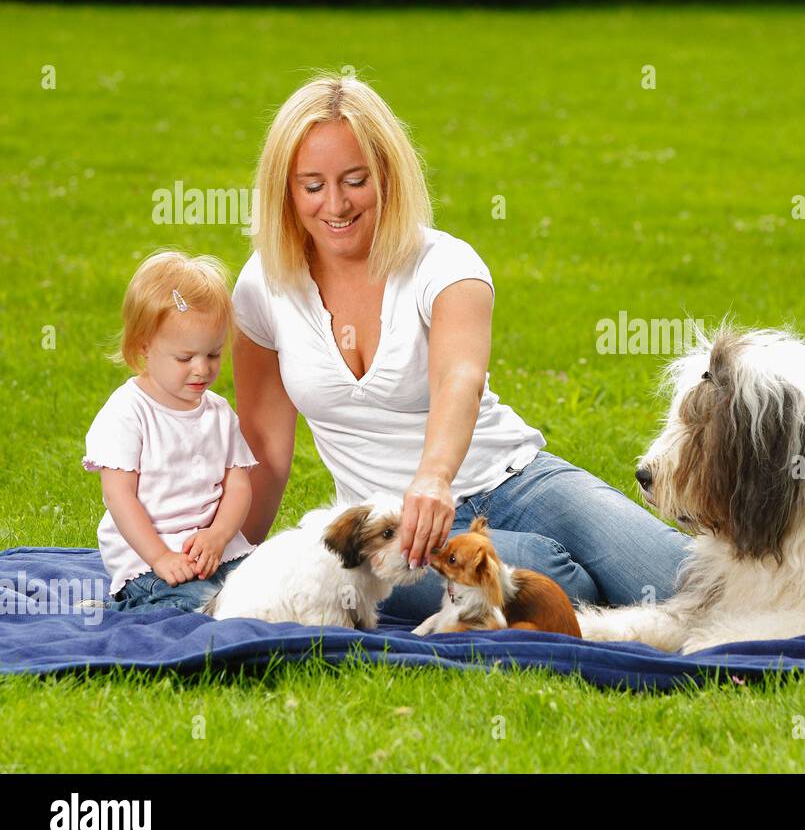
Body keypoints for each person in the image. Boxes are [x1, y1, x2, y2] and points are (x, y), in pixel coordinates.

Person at [231, 73, 688, 621]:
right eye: (312, 186)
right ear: (285, 188)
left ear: (389, 176)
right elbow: (265, 449)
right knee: (561, 585)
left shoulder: (445, 265)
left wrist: (434, 477)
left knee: (678, 574)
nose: (336, 204)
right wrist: (234, 558)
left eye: (356, 180)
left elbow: (459, 379)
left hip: (515, 479)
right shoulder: (264, 284)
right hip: (397, 535)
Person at [83, 251, 257, 612]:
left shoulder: (219, 412)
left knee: (267, 583)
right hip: (148, 562)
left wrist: (219, 535)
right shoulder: (129, 412)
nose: (202, 370)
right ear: (144, 346)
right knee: (196, 605)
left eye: (213, 355)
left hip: (217, 553)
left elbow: (238, 483)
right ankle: (126, 606)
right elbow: (120, 497)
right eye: (185, 357)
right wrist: (161, 556)